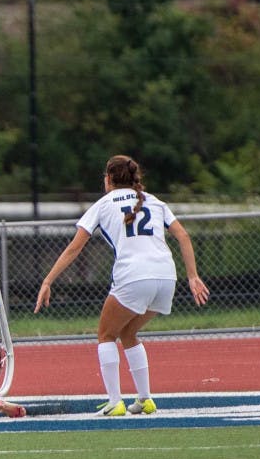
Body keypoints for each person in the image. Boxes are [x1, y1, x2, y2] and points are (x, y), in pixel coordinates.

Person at [34, 154, 209, 416]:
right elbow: (182, 236)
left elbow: (74, 248)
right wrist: (193, 276)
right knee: (127, 334)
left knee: (105, 335)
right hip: (166, 277)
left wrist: (48, 280)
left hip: (134, 276)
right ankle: (145, 399)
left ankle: (115, 401)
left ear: (108, 179)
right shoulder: (154, 201)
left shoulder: (103, 204)